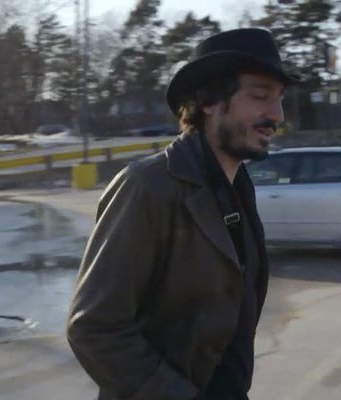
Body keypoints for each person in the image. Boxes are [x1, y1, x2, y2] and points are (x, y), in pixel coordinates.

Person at [67, 28, 299, 400]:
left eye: (279, 99)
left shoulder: (238, 191)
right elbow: (94, 327)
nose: (277, 115)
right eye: (260, 97)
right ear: (208, 101)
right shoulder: (148, 186)